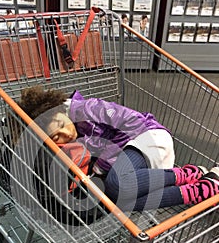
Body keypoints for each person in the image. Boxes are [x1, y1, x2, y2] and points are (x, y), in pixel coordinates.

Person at [16, 86, 219, 212]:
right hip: (130, 160)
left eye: (61, 126)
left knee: (116, 184)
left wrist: (102, 166)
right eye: (55, 137)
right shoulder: (73, 136)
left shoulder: (88, 109)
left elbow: (134, 122)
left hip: (146, 136)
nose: (65, 136)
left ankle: (186, 173)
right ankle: (201, 189)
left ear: (59, 110)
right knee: (118, 203)